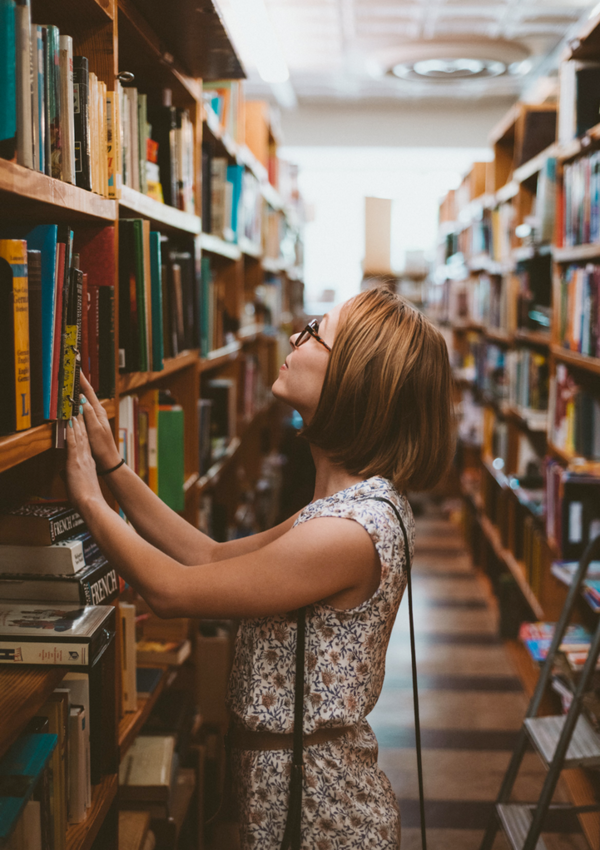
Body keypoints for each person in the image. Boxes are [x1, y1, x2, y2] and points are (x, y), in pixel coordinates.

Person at [66, 285, 455, 849]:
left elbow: (171, 591)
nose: (296, 336)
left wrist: (89, 503)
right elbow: (208, 556)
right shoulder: (346, 507)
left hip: (323, 815)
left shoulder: (345, 533)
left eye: (317, 331)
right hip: (292, 795)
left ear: (353, 380)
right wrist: (113, 466)